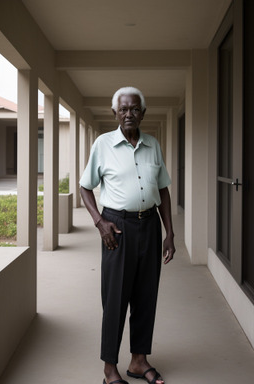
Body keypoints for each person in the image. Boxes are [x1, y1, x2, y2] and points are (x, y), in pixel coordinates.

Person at [80, 87, 175, 384]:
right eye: (123, 109)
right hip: (116, 228)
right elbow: (85, 187)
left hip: (149, 224)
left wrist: (170, 232)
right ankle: (110, 368)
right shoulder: (103, 144)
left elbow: (162, 190)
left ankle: (138, 361)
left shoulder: (153, 145)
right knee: (116, 298)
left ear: (143, 113)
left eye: (134, 109)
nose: (129, 114)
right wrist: (99, 222)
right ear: (115, 113)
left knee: (146, 295)